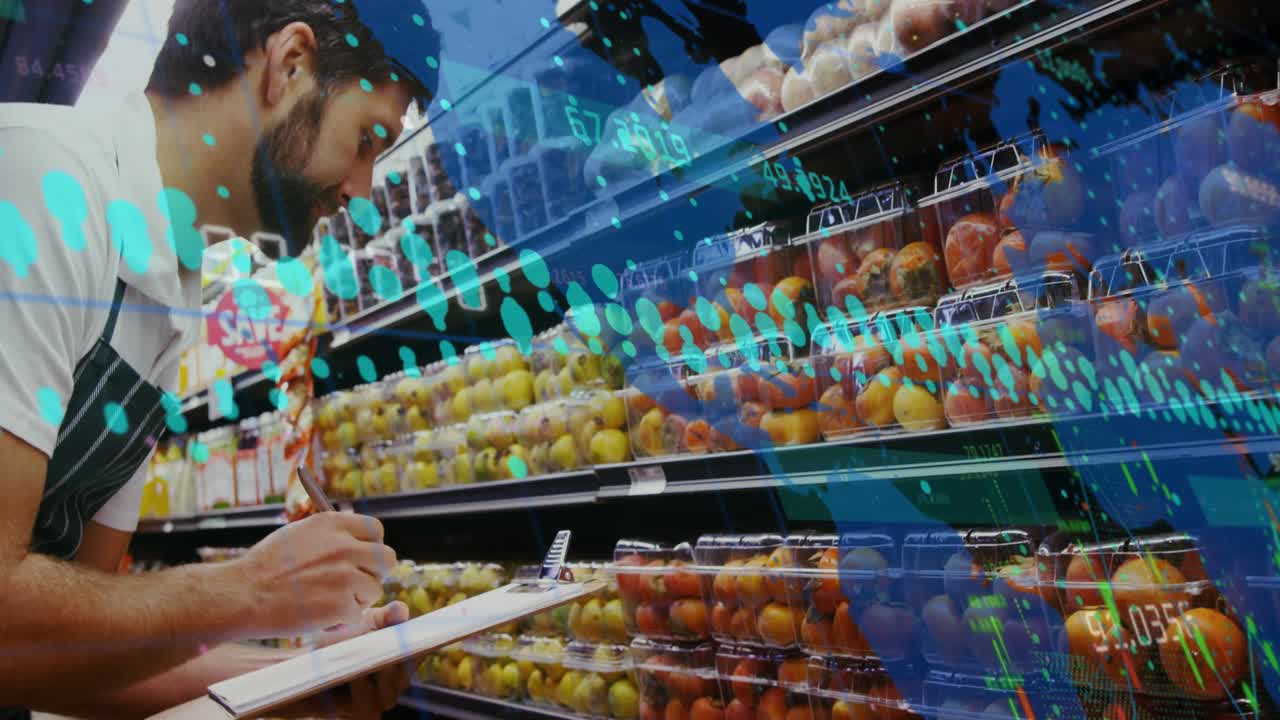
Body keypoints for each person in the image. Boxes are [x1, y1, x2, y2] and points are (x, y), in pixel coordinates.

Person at [0, 1, 440, 717]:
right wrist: (254, 591)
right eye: (366, 138)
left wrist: (299, 680)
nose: (361, 191)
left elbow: (73, 652)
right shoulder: (42, 184)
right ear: (289, 64)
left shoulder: (169, 296)